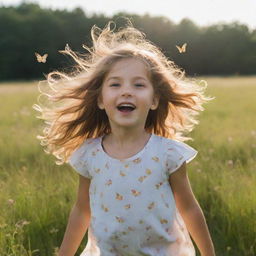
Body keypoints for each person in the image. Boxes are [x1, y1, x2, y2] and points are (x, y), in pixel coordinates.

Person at [34, 20, 216, 256]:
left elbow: (189, 208)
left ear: (154, 100)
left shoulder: (168, 154)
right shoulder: (90, 154)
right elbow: (82, 209)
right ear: (100, 99)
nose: (126, 91)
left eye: (139, 84)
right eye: (115, 84)